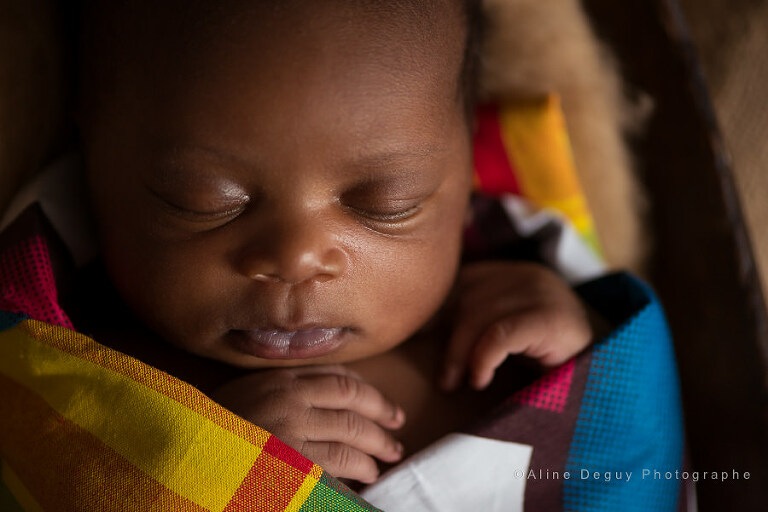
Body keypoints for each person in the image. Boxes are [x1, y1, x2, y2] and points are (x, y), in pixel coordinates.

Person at [75, 0, 601, 485]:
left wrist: (582, 347)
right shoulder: (89, 373)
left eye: (387, 204)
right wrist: (206, 466)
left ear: (464, 184)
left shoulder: (492, 314)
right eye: (204, 202)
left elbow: (623, 451)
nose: (297, 257)